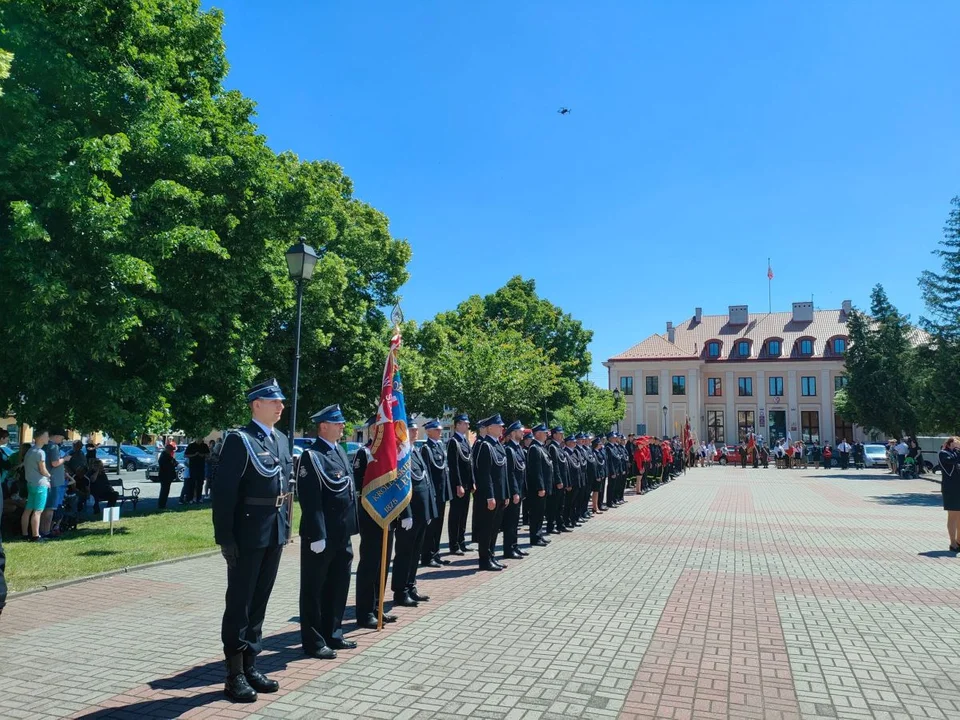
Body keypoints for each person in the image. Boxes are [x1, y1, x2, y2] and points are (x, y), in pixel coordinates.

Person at [212, 378, 292, 703]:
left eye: (281, 401)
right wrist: (225, 538)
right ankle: (233, 675)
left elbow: (285, 489)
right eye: (274, 401)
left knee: (260, 601)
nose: (281, 406)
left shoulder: (282, 440)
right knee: (240, 604)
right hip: (247, 534)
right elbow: (224, 494)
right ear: (256, 404)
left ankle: (251, 664)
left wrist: (286, 529)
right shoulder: (239, 440)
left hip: (273, 531)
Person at [298, 404, 359, 660]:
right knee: (314, 589)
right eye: (337, 423)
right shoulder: (312, 456)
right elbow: (310, 500)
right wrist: (317, 534)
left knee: (338, 585)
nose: (342, 426)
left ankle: (333, 632)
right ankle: (313, 641)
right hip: (321, 536)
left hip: (341, 534)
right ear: (323, 426)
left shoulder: (340, 453)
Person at [353, 417, 398, 629]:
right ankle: (365, 612)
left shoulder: (390, 454)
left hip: (388, 516)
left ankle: (378, 608)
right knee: (370, 565)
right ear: (372, 430)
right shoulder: (364, 453)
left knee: (383, 564)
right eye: (377, 428)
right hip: (370, 516)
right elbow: (357, 486)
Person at [392, 421, 436, 607]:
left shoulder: (415, 451)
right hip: (409, 515)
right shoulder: (400, 454)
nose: (416, 431)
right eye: (411, 429)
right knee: (404, 553)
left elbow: (426, 481)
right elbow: (399, 487)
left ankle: (411, 586)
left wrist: (430, 509)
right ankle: (400, 592)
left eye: (416, 429)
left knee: (415, 552)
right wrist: (405, 514)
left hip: (421, 513)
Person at [473, 415, 509, 570]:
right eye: (498, 426)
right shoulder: (484, 445)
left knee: (495, 528)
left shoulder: (499, 445)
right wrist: (489, 496)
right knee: (487, 529)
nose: (501, 428)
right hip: (490, 496)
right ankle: (484, 560)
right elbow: (484, 474)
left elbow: (504, 473)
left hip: (500, 494)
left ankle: (492, 556)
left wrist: (506, 493)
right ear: (489, 428)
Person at [420, 420, 451, 568]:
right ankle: (427, 556)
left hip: (441, 492)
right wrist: (431, 494)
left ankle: (436, 553)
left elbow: (444, 470)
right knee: (430, 527)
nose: (439, 432)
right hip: (434, 494)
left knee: (438, 526)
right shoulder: (426, 448)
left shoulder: (439, 446)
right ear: (428, 431)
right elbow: (428, 474)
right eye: (436, 430)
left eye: (440, 430)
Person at [446, 414, 473, 556]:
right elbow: (454, 465)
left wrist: (472, 481)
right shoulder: (453, 441)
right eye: (464, 423)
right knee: (456, 515)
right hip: (459, 485)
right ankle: (454, 544)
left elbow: (470, 463)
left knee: (464, 514)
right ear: (457, 425)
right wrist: (458, 484)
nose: (467, 426)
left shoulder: (465, 441)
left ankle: (462, 542)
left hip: (467, 484)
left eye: (467, 424)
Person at [501, 421, 526, 560]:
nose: (522, 433)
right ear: (513, 433)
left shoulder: (518, 448)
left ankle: (514, 546)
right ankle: (508, 549)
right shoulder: (509, 449)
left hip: (519, 490)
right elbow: (510, 474)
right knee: (510, 522)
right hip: (513, 492)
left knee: (515, 521)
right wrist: (515, 492)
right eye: (519, 431)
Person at [22, 430, 50, 541]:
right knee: (38, 511)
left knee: (28, 510)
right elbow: (42, 469)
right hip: (40, 484)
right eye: (47, 436)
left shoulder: (30, 451)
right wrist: (49, 475)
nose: (48, 438)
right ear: (40, 437)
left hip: (31, 483)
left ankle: (24, 534)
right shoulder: (40, 452)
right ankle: (35, 535)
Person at [525, 424, 551, 547]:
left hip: (543, 487)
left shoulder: (541, 447)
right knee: (536, 513)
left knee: (541, 512)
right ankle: (535, 537)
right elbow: (536, 470)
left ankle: (539, 535)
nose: (546, 435)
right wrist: (540, 487)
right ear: (537, 434)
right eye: (544, 432)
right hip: (536, 488)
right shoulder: (534, 448)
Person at [41, 430, 71, 537]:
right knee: (50, 508)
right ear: (57, 436)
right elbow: (55, 463)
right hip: (54, 481)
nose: (62, 441)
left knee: (45, 507)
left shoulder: (45, 447)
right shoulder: (53, 447)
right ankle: (47, 531)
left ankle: (42, 530)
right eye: (62, 438)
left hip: (49, 480)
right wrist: (65, 459)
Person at [938, 437, 960, 552]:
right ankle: (952, 543)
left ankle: (959, 541)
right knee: (953, 516)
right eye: (957, 442)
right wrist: (956, 450)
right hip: (951, 489)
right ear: (950, 443)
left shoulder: (956, 453)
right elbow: (951, 461)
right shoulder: (943, 453)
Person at [546, 426, 569, 534]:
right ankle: (551, 526)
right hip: (556, 483)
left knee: (561, 505)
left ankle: (560, 524)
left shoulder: (558, 447)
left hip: (562, 481)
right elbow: (555, 466)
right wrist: (558, 480)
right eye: (560, 434)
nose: (562, 436)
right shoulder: (552, 447)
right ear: (554, 435)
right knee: (553, 505)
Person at [184, 437, 209, 504]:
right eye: (198, 439)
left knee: (200, 482)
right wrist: (194, 455)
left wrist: (202, 455)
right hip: (193, 466)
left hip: (201, 466)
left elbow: (208, 454)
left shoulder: (204, 446)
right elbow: (186, 455)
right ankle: (191, 498)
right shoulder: (191, 445)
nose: (200, 440)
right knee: (192, 482)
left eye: (201, 439)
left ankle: (199, 497)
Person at [157, 441, 177, 509]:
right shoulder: (164, 456)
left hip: (168, 476)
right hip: (165, 475)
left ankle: (163, 504)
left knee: (166, 490)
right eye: (171, 450)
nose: (172, 452)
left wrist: (173, 463)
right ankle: (161, 505)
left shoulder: (169, 456)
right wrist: (171, 464)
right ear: (167, 449)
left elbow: (175, 462)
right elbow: (165, 465)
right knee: (164, 490)